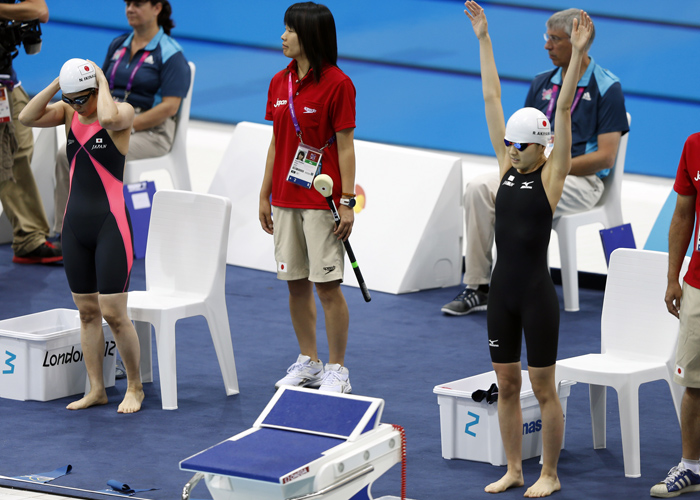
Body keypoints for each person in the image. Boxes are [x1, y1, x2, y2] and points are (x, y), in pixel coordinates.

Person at [464, 1, 591, 496]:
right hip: (502, 294)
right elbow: (492, 95)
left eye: (521, 146)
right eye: (509, 145)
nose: (512, 151)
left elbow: (562, 109)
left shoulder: (552, 177)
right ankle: (515, 469)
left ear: (544, 147)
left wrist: (577, 54)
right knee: (508, 387)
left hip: (537, 296)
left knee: (543, 388)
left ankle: (550, 474)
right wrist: (484, 38)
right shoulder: (506, 168)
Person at [442, 6, 628, 316]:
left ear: (575, 42)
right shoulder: (542, 83)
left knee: (527, 197)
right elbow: (494, 99)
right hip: (535, 168)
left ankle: (517, 283)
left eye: (555, 39)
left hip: (579, 179)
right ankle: (479, 286)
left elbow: (603, 153)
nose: (546, 45)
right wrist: (484, 39)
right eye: (547, 37)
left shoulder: (607, 88)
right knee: (479, 188)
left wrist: (551, 166)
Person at [19, 58, 144, 413]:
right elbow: (27, 117)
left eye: (81, 98)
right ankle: (96, 389)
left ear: (96, 90)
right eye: (70, 100)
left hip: (111, 225)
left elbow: (105, 118)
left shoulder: (123, 113)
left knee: (114, 313)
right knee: (87, 312)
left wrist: (101, 81)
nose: (76, 107)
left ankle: (134, 387)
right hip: (75, 225)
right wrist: (58, 85)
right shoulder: (69, 112)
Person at [259, 2, 356, 394]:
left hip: (321, 202)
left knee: (327, 287)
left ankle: (337, 369)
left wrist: (347, 201)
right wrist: (264, 194)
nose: (282, 36)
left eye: (290, 30)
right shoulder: (278, 82)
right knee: (295, 283)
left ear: (310, 36)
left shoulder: (338, 84)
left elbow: (346, 148)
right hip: (284, 199)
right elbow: (275, 143)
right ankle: (309, 361)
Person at [52, 0, 190, 236]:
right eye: (127, 3)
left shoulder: (171, 53)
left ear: (157, 8)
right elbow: (98, 86)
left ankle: (107, 232)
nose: (130, 9)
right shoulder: (118, 44)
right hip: (109, 119)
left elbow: (169, 107)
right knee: (66, 152)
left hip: (150, 131)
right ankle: (64, 231)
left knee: (97, 151)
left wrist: (126, 125)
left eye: (137, 3)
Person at [649, 134, 700, 497]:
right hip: (698, 283)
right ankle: (692, 467)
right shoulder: (694, 145)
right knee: (695, 383)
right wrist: (672, 277)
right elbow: (683, 212)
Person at [0, 0, 61, 264]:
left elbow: (40, 10)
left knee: (19, 150)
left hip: (6, 80)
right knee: (7, 157)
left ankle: (28, 238)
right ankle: (29, 237)